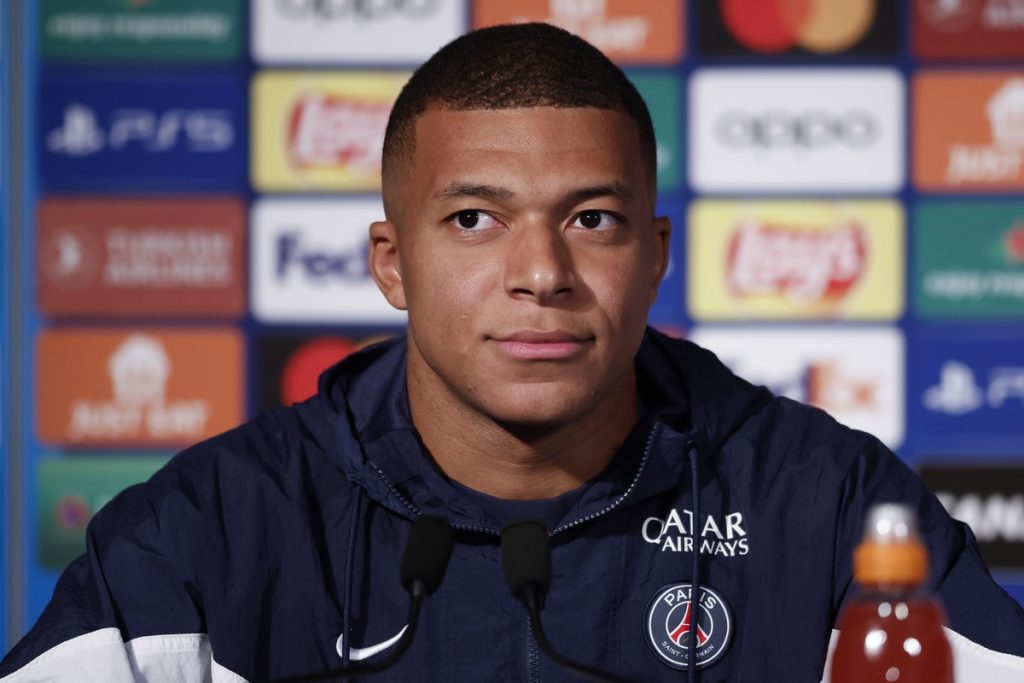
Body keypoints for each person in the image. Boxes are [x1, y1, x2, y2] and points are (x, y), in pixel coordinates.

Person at [3, 22, 1023, 683]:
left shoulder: (830, 508)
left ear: (655, 256)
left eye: (591, 219)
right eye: (475, 220)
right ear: (392, 263)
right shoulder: (203, 533)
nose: (541, 272)